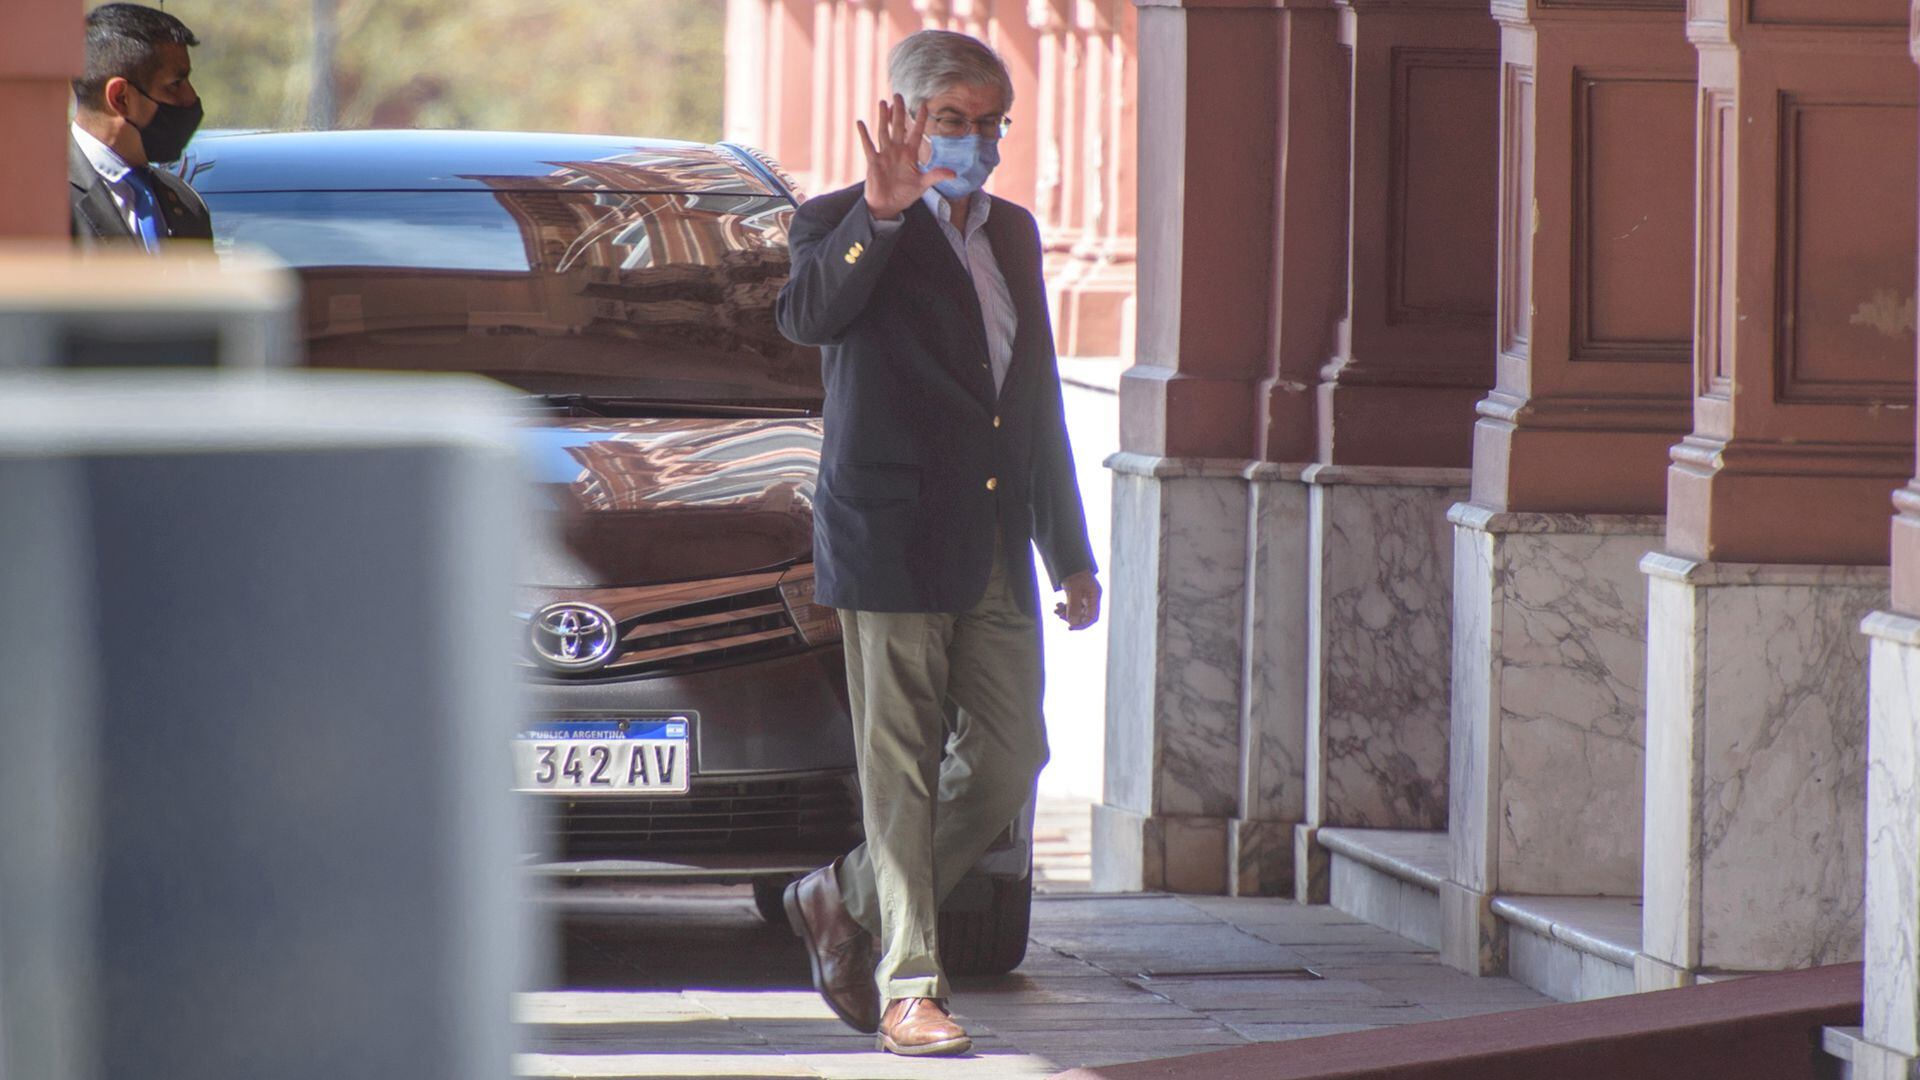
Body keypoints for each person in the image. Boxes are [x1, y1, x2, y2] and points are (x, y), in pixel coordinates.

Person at [775, 29, 1102, 1059]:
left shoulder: (1010, 233)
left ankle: (843, 894)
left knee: (1009, 764)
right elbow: (806, 317)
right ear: (906, 121)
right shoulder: (837, 221)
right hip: (891, 537)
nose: (975, 143)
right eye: (953, 121)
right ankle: (910, 984)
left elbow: (1035, 397)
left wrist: (1069, 549)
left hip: (997, 539)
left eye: (990, 123)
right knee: (901, 772)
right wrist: (878, 214)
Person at [69, 3, 210, 250]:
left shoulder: (187, 206)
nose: (191, 98)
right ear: (120, 98)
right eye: (175, 85)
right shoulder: (40, 205)